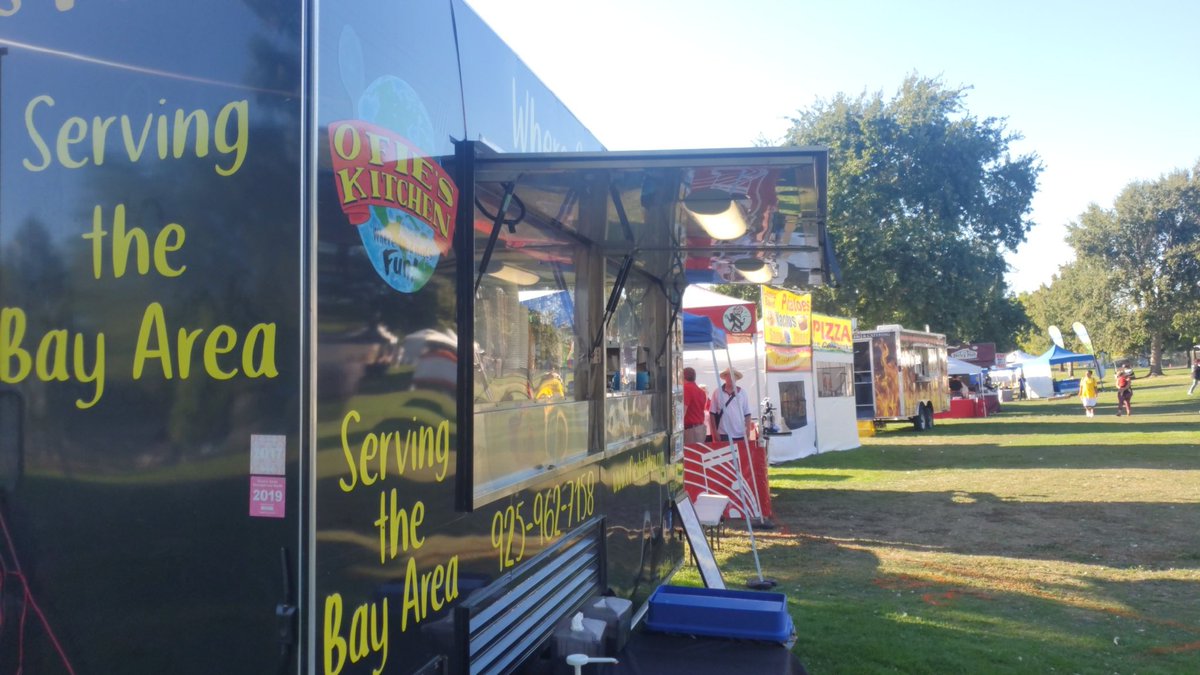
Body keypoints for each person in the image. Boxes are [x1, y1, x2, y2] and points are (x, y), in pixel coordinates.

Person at [709, 367, 754, 443]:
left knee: (740, 455)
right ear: (725, 377)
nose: (731, 378)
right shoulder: (717, 392)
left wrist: (748, 431)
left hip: (740, 433)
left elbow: (747, 414)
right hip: (723, 433)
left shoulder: (742, 393)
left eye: (733, 376)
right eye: (728, 375)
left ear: (736, 378)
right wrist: (714, 432)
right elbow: (712, 413)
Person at [682, 367, 707, 444]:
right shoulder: (701, 392)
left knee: (689, 454)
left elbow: (683, 410)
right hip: (700, 428)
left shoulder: (686, 388)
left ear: (683, 376)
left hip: (690, 430)